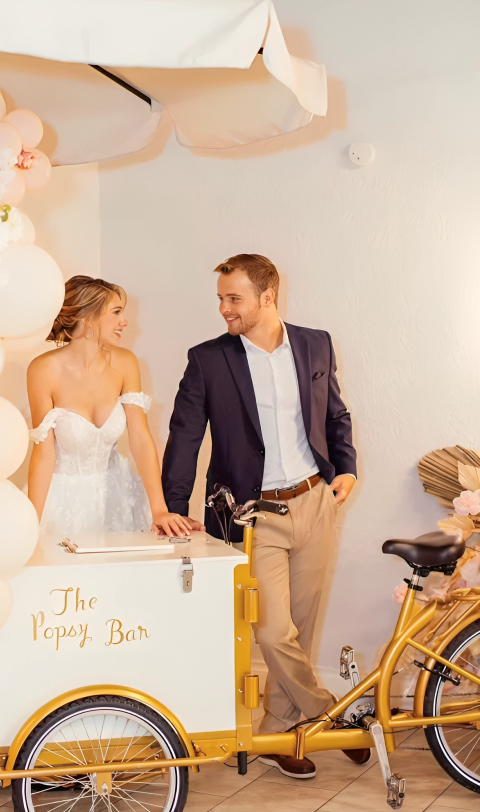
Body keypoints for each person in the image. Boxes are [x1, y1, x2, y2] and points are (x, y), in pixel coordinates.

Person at [161, 253, 365, 779]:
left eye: (235, 299)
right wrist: (172, 509)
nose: (225, 309)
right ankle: (333, 715)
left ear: (267, 296)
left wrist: (346, 467)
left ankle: (282, 731)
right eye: (222, 299)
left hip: (316, 501)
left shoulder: (315, 343)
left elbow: (335, 413)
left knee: (302, 627)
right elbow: (184, 436)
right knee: (272, 632)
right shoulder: (208, 359)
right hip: (251, 514)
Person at [27, 275, 203, 538]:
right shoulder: (43, 370)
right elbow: (43, 455)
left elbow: (141, 438)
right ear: (88, 315)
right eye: (117, 312)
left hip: (120, 497)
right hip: (61, 501)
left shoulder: (125, 363)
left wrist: (159, 509)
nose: (125, 321)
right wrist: (30, 525)